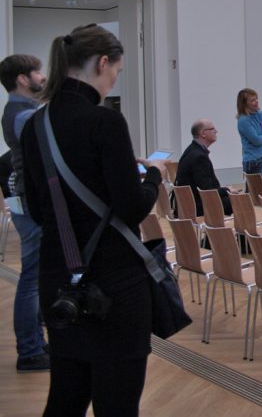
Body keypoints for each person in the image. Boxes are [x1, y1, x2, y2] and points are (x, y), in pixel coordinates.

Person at [20, 24, 165, 416]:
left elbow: (36, 209)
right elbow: (132, 207)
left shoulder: (37, 124)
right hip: (114, 280)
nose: (114, 79)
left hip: (59, 277)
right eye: (116, 72)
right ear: (102, 63)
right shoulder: (105, 122)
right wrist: (154, 177)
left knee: (65, 396)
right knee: (117, 401)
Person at [1, 54, 49, 373]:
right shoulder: (24, 115)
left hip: (24, 199)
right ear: (22, 78)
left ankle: (36, 344)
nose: (43, 77)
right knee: (32, 277)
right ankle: (30, 350)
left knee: (35, 275)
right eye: (38, 72)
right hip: (31, 202)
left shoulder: (19, 112)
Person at [175, 118, 234, 217]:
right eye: (212, 129)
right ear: (203, 133)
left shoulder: (191, 150)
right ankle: (240, 231)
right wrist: (227, 190)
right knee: (239, 201)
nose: (216, 131)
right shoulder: (199, 157)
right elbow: (208, 191)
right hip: (198, 206)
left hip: (189, 203)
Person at [236, 88, 262, 198]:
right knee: (254, 192)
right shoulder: (243, 120)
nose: (256, 102)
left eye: (256, 99)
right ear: (244, 103)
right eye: (252, 100)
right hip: (254, 159)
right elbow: (257, 141)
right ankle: (247, 214)